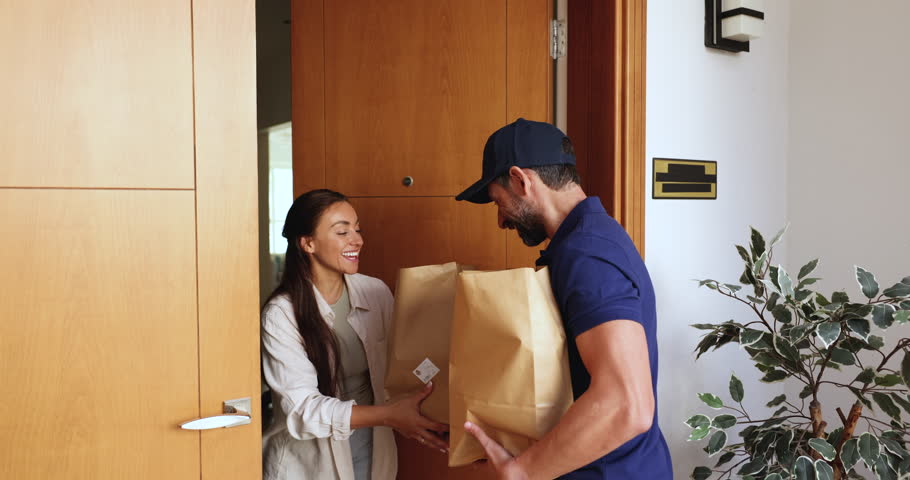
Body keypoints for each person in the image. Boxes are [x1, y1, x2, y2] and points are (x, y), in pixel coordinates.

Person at [455, 119, 673, 479]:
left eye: (498, 201)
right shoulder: (591, 240)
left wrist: (523, 472)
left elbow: (627, 405)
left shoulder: (586, 254)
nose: (500, 221)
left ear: (521, 180)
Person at [261, 189, 448, 480]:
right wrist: (389, 415)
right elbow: (301, 411)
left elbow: (401, 364)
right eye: (342, 232)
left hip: (372, 446)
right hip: (307, 462)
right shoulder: (281, 315)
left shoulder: (375, 292)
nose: (357, 240)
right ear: (308, 243)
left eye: (357, 229)